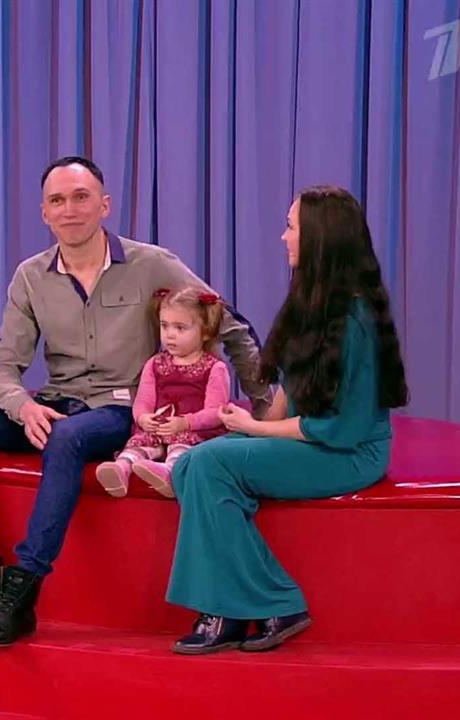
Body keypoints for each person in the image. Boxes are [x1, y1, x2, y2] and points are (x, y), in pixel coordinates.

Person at [0, 156, 271, 646]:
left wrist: (262, 406)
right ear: (44, 212)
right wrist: (23, 406)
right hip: (56, 401)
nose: (70, 210)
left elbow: (229, 324)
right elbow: (2, 365)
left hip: (123, 409)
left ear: (104, 205)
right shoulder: (30, 275)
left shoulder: (152, 264)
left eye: (81, 197)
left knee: (67, 437)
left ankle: (22, 592)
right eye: (57, 200)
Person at [166, 185, 409, 654]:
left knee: (212, 464)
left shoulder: (355, 318)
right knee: (192, 464)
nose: (283, 237)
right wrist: (252, 422)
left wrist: (254, 431)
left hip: (346, 453)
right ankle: (238, 608)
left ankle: (256, 604)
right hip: (308, 440)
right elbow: (291, 388)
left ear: (319, 237)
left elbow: (340, 430)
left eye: (291, 226)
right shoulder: (311, 299)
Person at [95, 286, 230, 498]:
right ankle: (121, 468)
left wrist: (185, 423)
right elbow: (143, 401)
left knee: (182, 444)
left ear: (205, 332)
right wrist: (143, 417)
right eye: (164, 326)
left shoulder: (214, 368)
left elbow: (215, 412)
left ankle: (170, 472)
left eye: (180, 328)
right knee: (140, 441)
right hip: (160, 429)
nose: (170, 335)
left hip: (194, 431)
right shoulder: (155, 364)